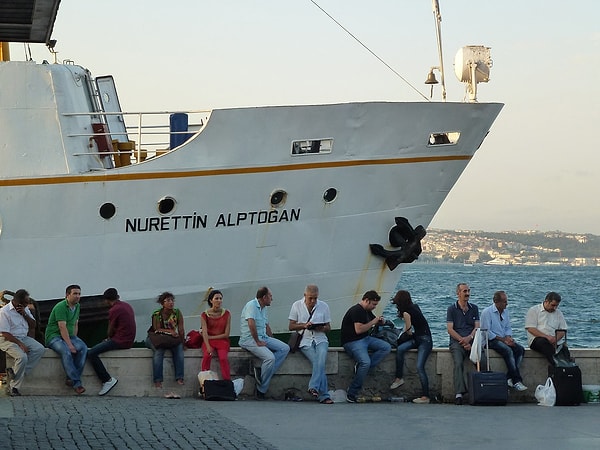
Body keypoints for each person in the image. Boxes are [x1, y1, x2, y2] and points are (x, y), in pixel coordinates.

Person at [341, 290, 391, 403]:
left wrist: (380, 322)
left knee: (386, 347)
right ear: (367, 301)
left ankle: (361, 368)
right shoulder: (356, 310)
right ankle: (352, 392)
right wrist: (373, 322)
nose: (374, 307)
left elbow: (371, 323)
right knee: (366, 362)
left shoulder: (367, 311)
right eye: (373, 304)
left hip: (365, 339)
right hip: (352, 341)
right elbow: (358, 330)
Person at [239, 286, 290, 399]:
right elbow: (251, 324)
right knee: (270, 358)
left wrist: (272, 340)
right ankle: (261, 389)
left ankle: (262, 371)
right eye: (270, 296)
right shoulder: (251, 305)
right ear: (264, 297)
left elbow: (266, 325)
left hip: (263, 337)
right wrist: (257, 341)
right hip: (249, 339)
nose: (272, 299)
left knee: (285, 348)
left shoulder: (264, 308)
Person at [288, 285, 333, 404]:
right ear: (305, 296)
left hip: (320, 338)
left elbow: (329, 327)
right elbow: (291, 326)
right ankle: (324, 395)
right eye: (310, 298)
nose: (313, 301)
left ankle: (313, 387)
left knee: (321, 359)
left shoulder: (324, 306)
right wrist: (304, 325)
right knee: (318, 363)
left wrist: (321, 327)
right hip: (305, 341)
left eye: (315, 298)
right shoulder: (296, 305)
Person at [87, 288, 136, 396]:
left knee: (91, 353)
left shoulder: (114, 310)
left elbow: (110, 329)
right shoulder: (127, 306)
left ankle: (107, 380)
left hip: (120, 340)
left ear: (106, 300)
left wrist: (108, 338)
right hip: (129, 340)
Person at [0, 289, 46, 396]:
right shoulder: (4, 312)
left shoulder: (24, 309)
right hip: (6, 338)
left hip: (22, 337)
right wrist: (21, 344)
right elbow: (5, 333)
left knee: (40, 349)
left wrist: (24, 314)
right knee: (22, 357)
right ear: (17, 302)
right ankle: (14, 387)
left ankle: (15, 374)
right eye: (25, 303)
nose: (27, 305)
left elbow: (33, 325)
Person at [390, 290, 433, 404]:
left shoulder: (406, 313)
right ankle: (399, 378)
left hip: (424, 340)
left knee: (419, 367)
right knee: (400, 350)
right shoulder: (415, 307)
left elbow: (408, 331)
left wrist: (401, 338)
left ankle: (425, 396)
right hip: (420, 337)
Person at [480, 290, 528, 391]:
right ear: (497, 302)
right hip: (491, 340)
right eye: (504, 302)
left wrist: (508, 337)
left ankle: (509, 377)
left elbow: (507, 327)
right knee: (508, 350)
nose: (507, 304)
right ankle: (516, 380)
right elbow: (486, 332)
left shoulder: (506, 312)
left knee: (520, 349)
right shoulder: (487, 312)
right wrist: (503, 340)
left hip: (503, 339)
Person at [45, 284, 88, 394]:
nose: (78, 296)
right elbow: (62, 327)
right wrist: (70, 344)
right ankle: (77, 383)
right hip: (54, 336)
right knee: (66, 351)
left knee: (83, 348)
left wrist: (75, 339)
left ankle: (70, 378)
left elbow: (75, 324)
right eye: (75, 294)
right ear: (67, 295)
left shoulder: (77, 306)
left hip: (69, 336)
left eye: (79, 294)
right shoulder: (61, 307)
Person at [446, 282, 480, 405]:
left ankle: (483, 388)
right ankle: (459, 393)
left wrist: (470, 338)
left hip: (471, 340)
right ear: (458, 293)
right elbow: (450, 329)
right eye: (465, 291)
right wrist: (462, 340)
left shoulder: (474, 308)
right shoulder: (451, 309)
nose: (467, 294)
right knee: (458, 362)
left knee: (482, 360)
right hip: (457, 342)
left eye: (468, 291)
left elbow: (477, 327)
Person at [145, 291, 185, 388]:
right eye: (168, 301)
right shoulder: (157, 314)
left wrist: (182, 342)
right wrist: (170, 331)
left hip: (171, 339)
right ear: (162, 303)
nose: (171, 302)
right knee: (159, 352)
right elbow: (157, 329)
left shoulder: (177, 313)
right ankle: (157, 380)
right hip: (156, 338)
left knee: (179, 351)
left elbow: (181, 329)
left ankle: (179, 377)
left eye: (172, 300)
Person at [525, 291, 570, 366]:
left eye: (556, 306)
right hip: (537, 339)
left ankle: (567, 367)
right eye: (553, 305)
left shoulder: (558, 313)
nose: (554, 308)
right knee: (544, 343)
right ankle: (556, 365)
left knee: (564, 349)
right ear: (546, 302)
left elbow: (562, 330)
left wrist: (555, 339)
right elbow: (531, 328)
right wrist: (547, 337)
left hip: (554, 340)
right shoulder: (534, 310)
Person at [200, 289, 231, 380]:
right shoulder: (204, 315)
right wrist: (208, 345)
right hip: (208, 341)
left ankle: (227, 380)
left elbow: (226, 334)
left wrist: (211, 337)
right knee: (207, 356)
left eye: (220, 298)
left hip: (222, 341)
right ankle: (205, 382)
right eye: (216, 298)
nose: (219, 301)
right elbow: (204, 331)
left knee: (223, 358)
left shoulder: (227, 314)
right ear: (211, 300)